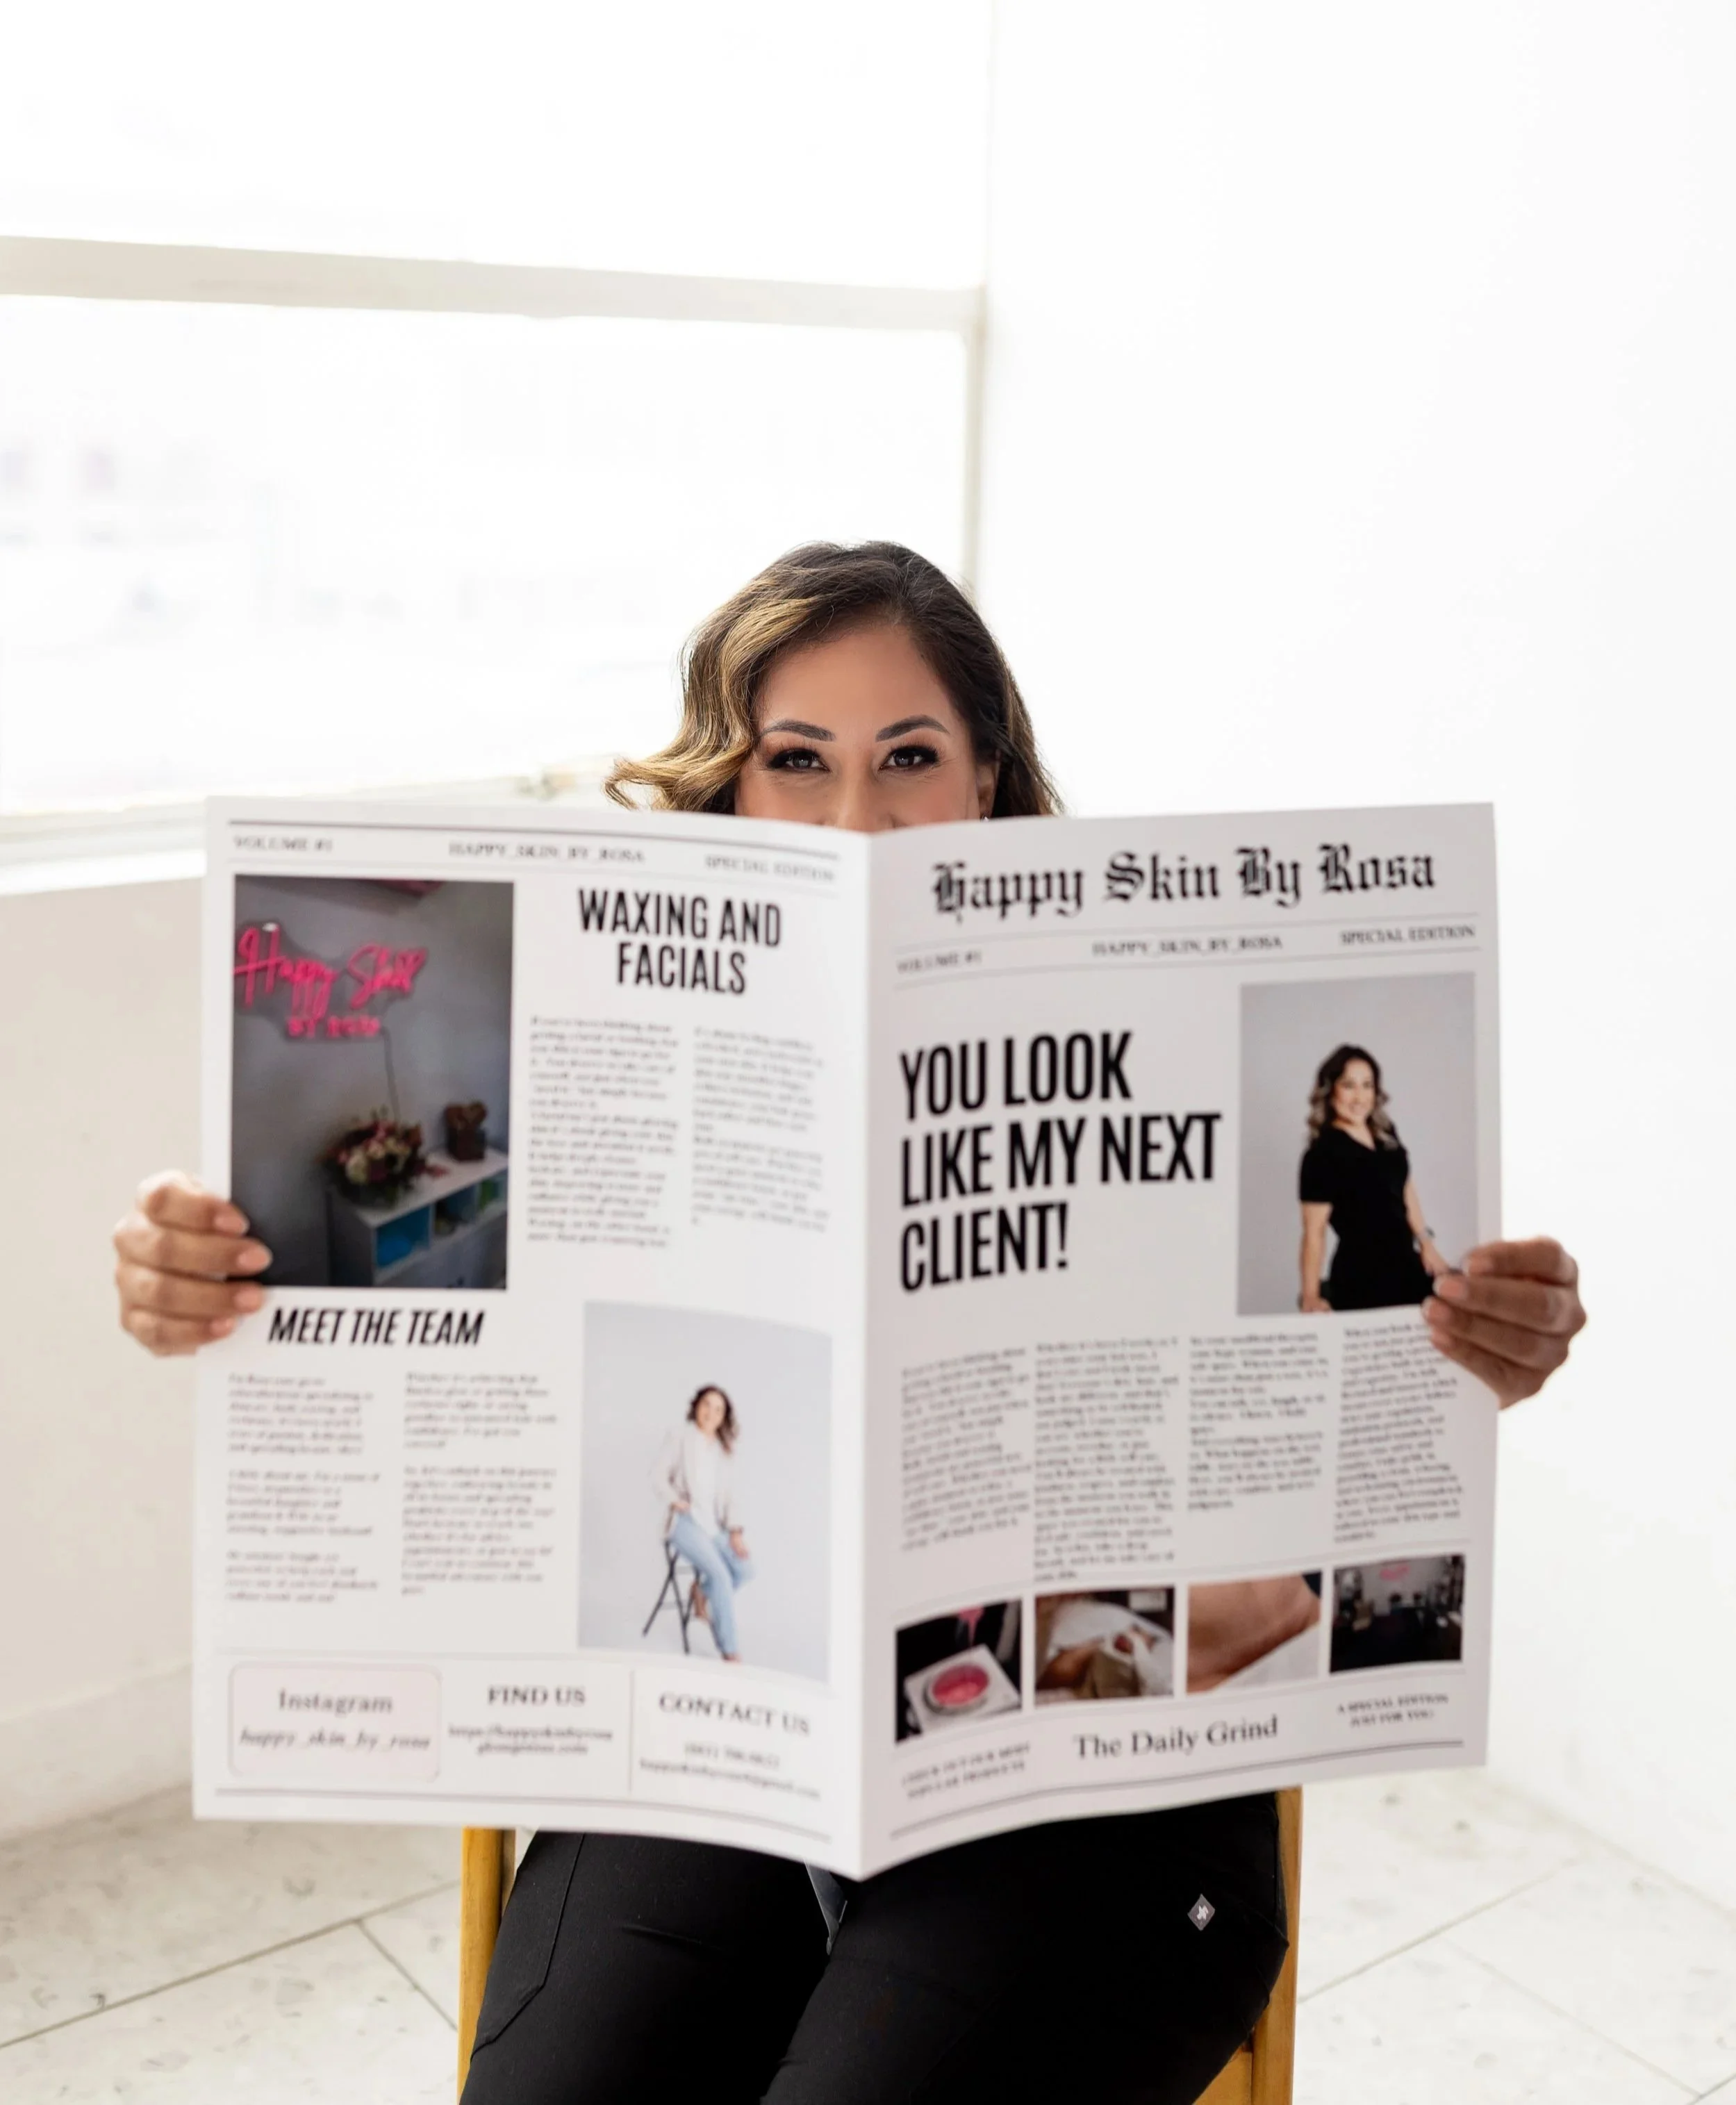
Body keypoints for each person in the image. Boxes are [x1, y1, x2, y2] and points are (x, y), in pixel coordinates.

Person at [111, 542, 1587, 2103]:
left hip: (1085, 1789)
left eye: (909, 760)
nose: (854, 821)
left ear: (985, 779)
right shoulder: (610, 1057)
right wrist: (208, 1287)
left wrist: (1474, 1348)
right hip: (723, 1752)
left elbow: (1304, 1478)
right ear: (731, 788)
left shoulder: (1157, 1034)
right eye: (798, 761)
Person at [1298, 1043, 1448, 1313]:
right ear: (1330, 1090)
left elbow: (1404, 1187)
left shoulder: (1385, 1132)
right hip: (1362, 1278)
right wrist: (1310, 1296)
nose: (1359, 1097)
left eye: (1367, 1085)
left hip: (1406, 1263)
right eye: (1349, 1086)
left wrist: (1427, 1243)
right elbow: (1314, 1233)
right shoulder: (1321, 1155)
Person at [654, 1384, 752, 1662]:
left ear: (724, 1417)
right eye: (707, 1405)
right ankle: (729, 1650)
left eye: (719, 1409)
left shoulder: (723, 1451)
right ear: (696, 1406)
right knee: (721, 1577)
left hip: (713, 1526)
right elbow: (657, 1475)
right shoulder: (680, 1436)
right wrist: (675, 1500)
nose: (711, 1412)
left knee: (745, 1570)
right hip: (685, 1523)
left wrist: (735, 1532)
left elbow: (731, 1496)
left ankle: (700, 1592)